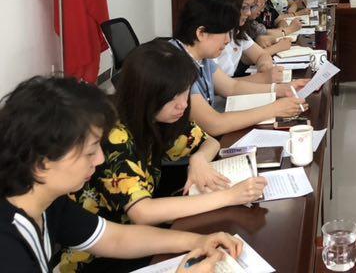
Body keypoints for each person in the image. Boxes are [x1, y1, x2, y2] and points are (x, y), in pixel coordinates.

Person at [0, 75, 242, 273]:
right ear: (42, 163)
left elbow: (115, 239)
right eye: (90, 152)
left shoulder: (48, 200)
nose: (100, 160)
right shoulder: (7, 247)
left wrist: (197, 241)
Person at [61, 41, 267, 272]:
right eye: (173, 97)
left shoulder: (160, 116)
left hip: (139, 238)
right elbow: (142, 212)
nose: (183, 104)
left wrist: (198, 160)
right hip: (98, 256)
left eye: (186, 92)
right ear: (145, 95)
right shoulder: (115, 136)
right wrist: (229, 196)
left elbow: (209, 142)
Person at [172, 0, 308, 137]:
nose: (227, 40)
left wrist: (282, 89)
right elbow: (214, 124)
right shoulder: (176, 65)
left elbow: (231, 87)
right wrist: (274, 109)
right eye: (225, 33)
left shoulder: (201, 56)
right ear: (201, 33)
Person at [216, 0, 286, 83]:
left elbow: (262, 55)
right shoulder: (213, 35)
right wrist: (264, 78)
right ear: (230, 5)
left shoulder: (237, 30)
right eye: (244, 7)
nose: (249, 13)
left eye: (251, 7)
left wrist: (264, 67)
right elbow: (224, 86)